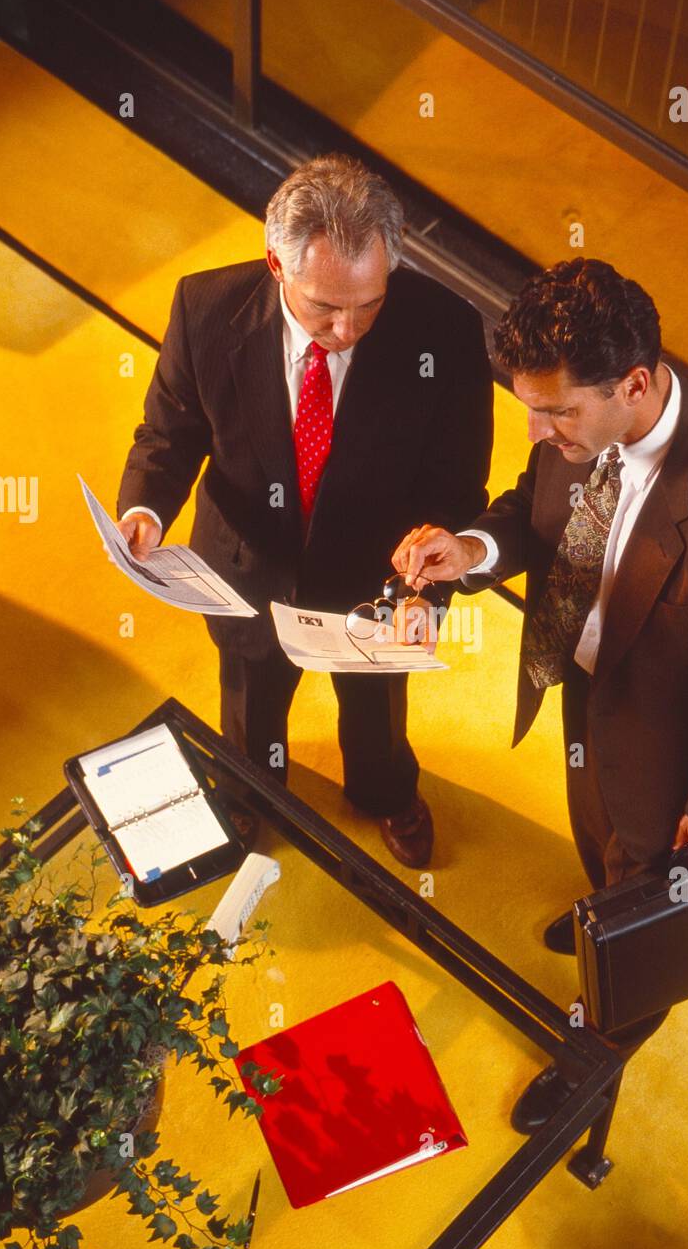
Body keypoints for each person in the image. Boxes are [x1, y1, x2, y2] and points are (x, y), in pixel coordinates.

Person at [391, 257, 688, 1129]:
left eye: (556, 412)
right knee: (596, 836)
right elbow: (531, 508)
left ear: (634, 383)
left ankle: (603, 1044)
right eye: (530, 409)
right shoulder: (581, 423)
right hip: (590, 692)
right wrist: (473, 550)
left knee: (647, 912)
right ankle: (601, 917)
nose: (540, 432)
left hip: (673, 751)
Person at [115, 153, 493, 867]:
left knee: (376, 710)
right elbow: (171, 433)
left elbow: (455, 487)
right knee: (251, 701)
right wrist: (145, 510)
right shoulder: (204, 310)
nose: (347, 328)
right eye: (325, 306)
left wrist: (428, 590)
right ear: (275, 263)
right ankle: (250, 795)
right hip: (246, 566)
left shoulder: (444, 331)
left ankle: (385, 793)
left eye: (369, 304)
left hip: (381, 575)